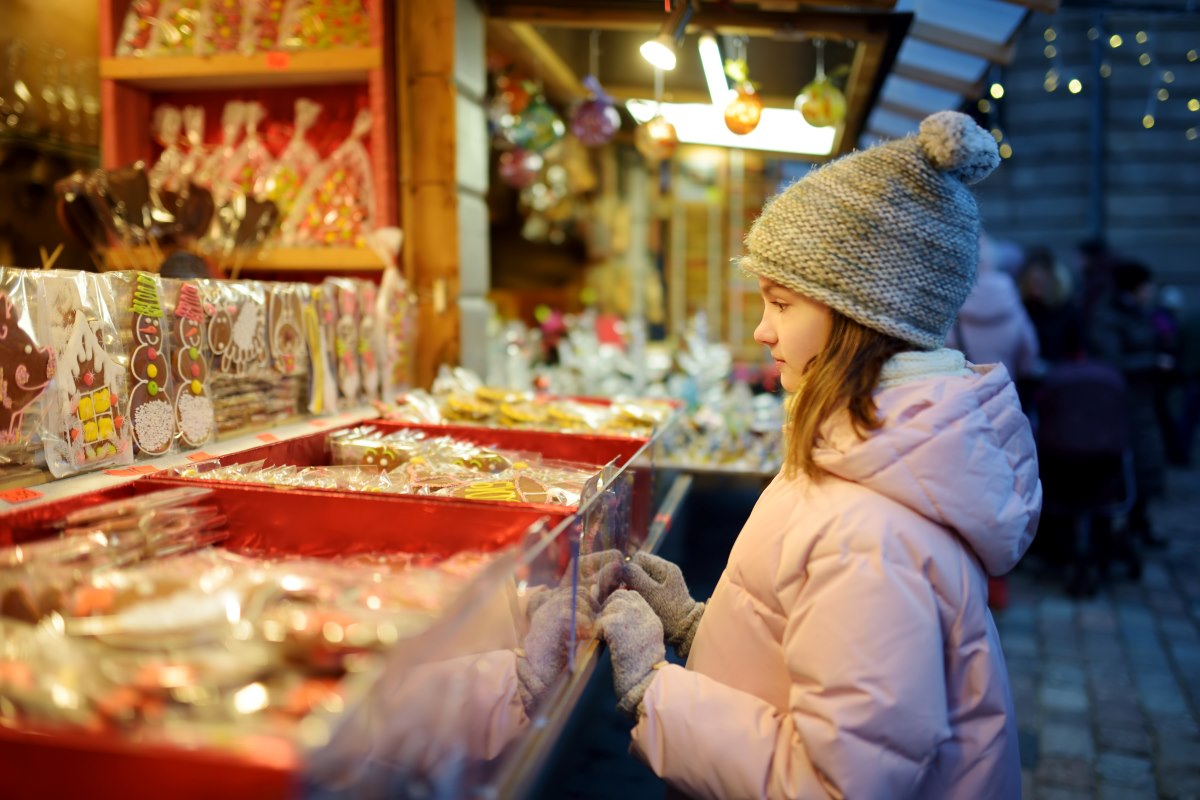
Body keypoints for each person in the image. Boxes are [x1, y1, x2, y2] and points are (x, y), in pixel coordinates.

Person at [597, 111, 1042, 799]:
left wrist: (652, 689)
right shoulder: (860, 461)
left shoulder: (871, 532)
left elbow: (833, 784)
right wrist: (697, 625)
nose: (761, 329)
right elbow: (810, 654)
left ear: (860, 317)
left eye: (780, 303)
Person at [1087, 260, 1169, 546]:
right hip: (1123, 404)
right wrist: (1153, 362)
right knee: (1130, 464)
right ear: (1134, 287)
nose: (1152, 291)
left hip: (1144, 400)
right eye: (1147, 285)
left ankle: (1139, 523)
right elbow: (1112, 361)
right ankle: (1120, 528)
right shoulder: (1109, 315)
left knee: (1148, 462)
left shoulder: (1139, 312)